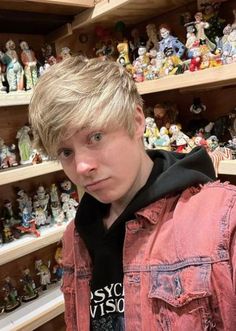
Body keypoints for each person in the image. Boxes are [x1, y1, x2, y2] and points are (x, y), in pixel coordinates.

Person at [29, 56, 236, 330]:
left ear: (137, 120)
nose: (81, 167)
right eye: (66, 152)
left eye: (96, 137)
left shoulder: (221, 219)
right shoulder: (76, 236)